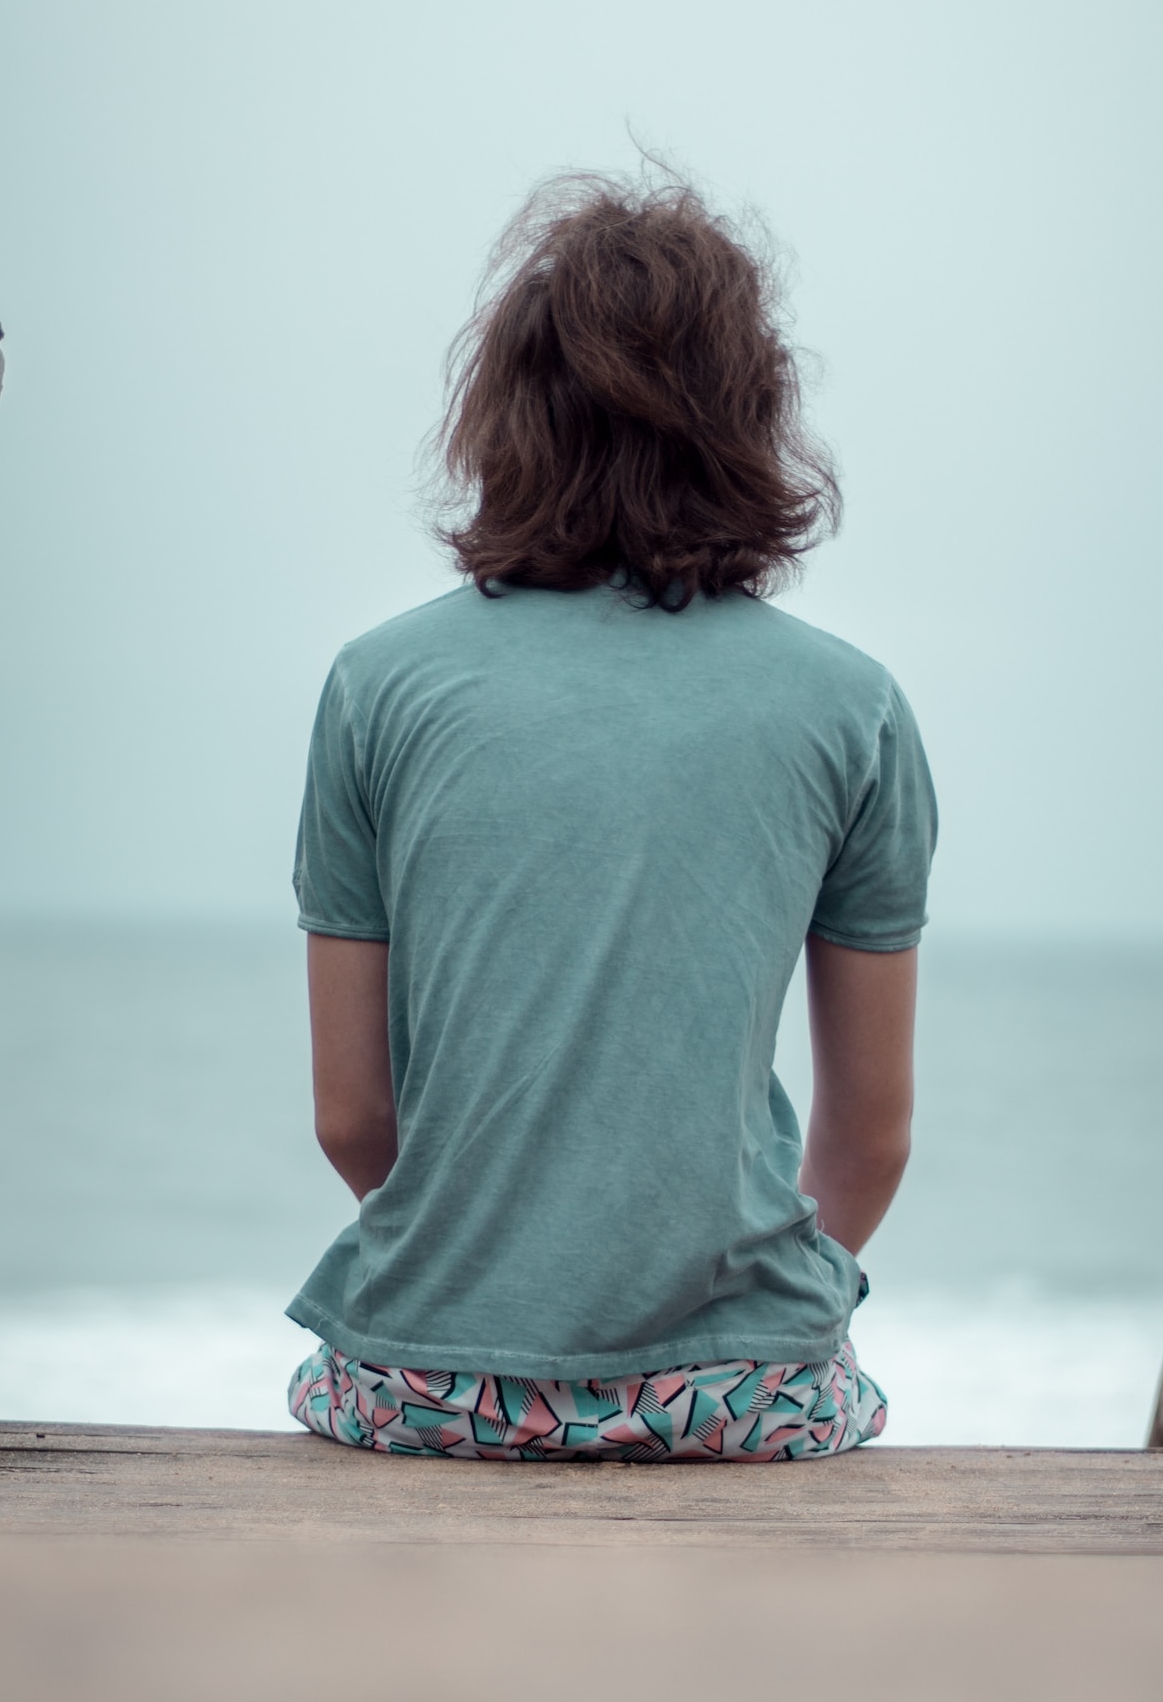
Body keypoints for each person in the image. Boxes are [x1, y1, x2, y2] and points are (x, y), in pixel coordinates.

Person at [287, 176, 936, 1459]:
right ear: (750, 415)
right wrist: (759, 1322)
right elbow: (872, 1132)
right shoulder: (851, 706)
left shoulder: (377, 685)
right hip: (743, 1398)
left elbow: (352, 1119)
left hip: (425, 1388)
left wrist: (502, 1283)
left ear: (507, 412)